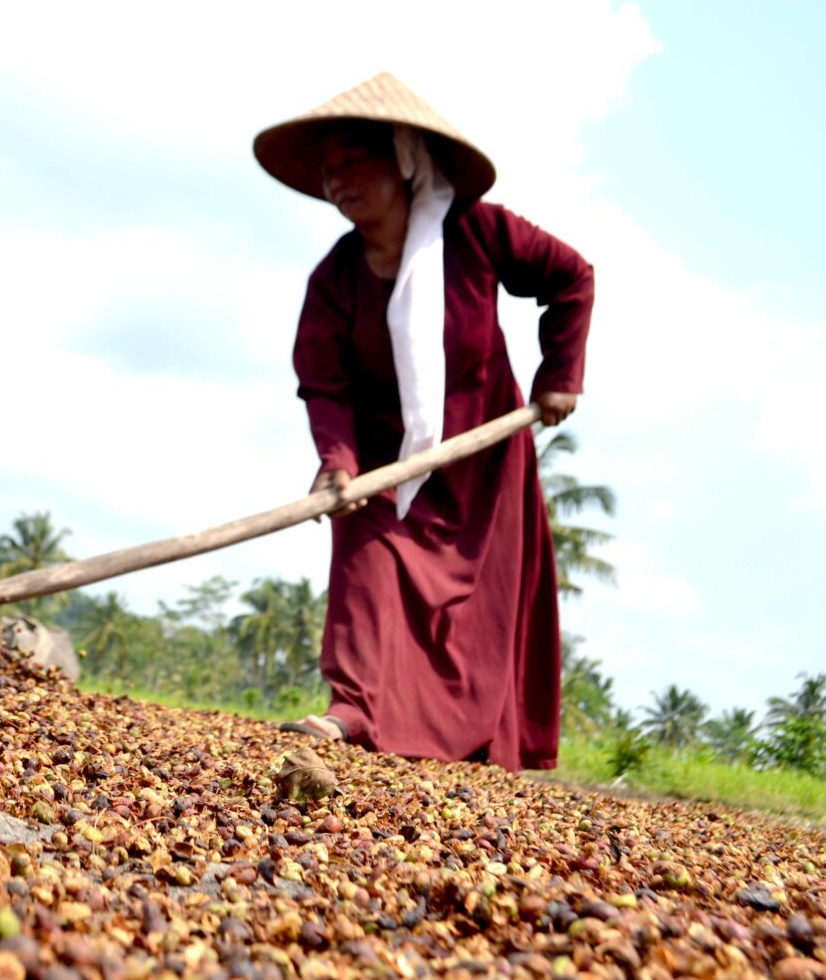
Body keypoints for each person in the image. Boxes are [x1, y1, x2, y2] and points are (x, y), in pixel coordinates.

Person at [255, 74, 594, 771]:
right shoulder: (334, 280)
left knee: (478, 610)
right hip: (386, 460)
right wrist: (340, 459)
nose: (338, 180)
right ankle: (352, 707)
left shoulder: (478, 233)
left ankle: (473, 742)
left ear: (404, 162)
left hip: (481, 460)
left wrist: (559, 376)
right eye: (329, 170)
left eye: (355, 162)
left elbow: (573, 279)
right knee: (365, 549)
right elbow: (323, 382)